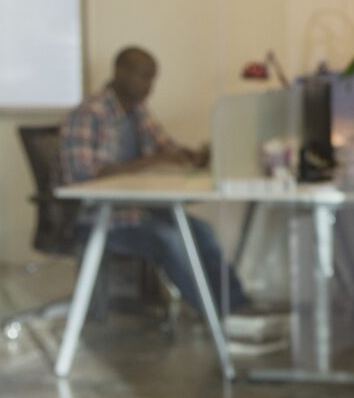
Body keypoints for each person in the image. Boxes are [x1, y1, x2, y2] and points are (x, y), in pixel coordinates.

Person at [60, 46, 271, 338]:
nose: (149, 86)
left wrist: (192, 156)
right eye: (144, 76)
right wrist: (152, 161)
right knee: (169, 239)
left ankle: (237, 307)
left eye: (153, 78)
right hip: (101, 218)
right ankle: (216, 317)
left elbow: (164, 146)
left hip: (140, 210)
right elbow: (81, 177)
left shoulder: (137, 111)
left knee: (202, 232)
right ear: (120, 72)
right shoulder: (89, 114)